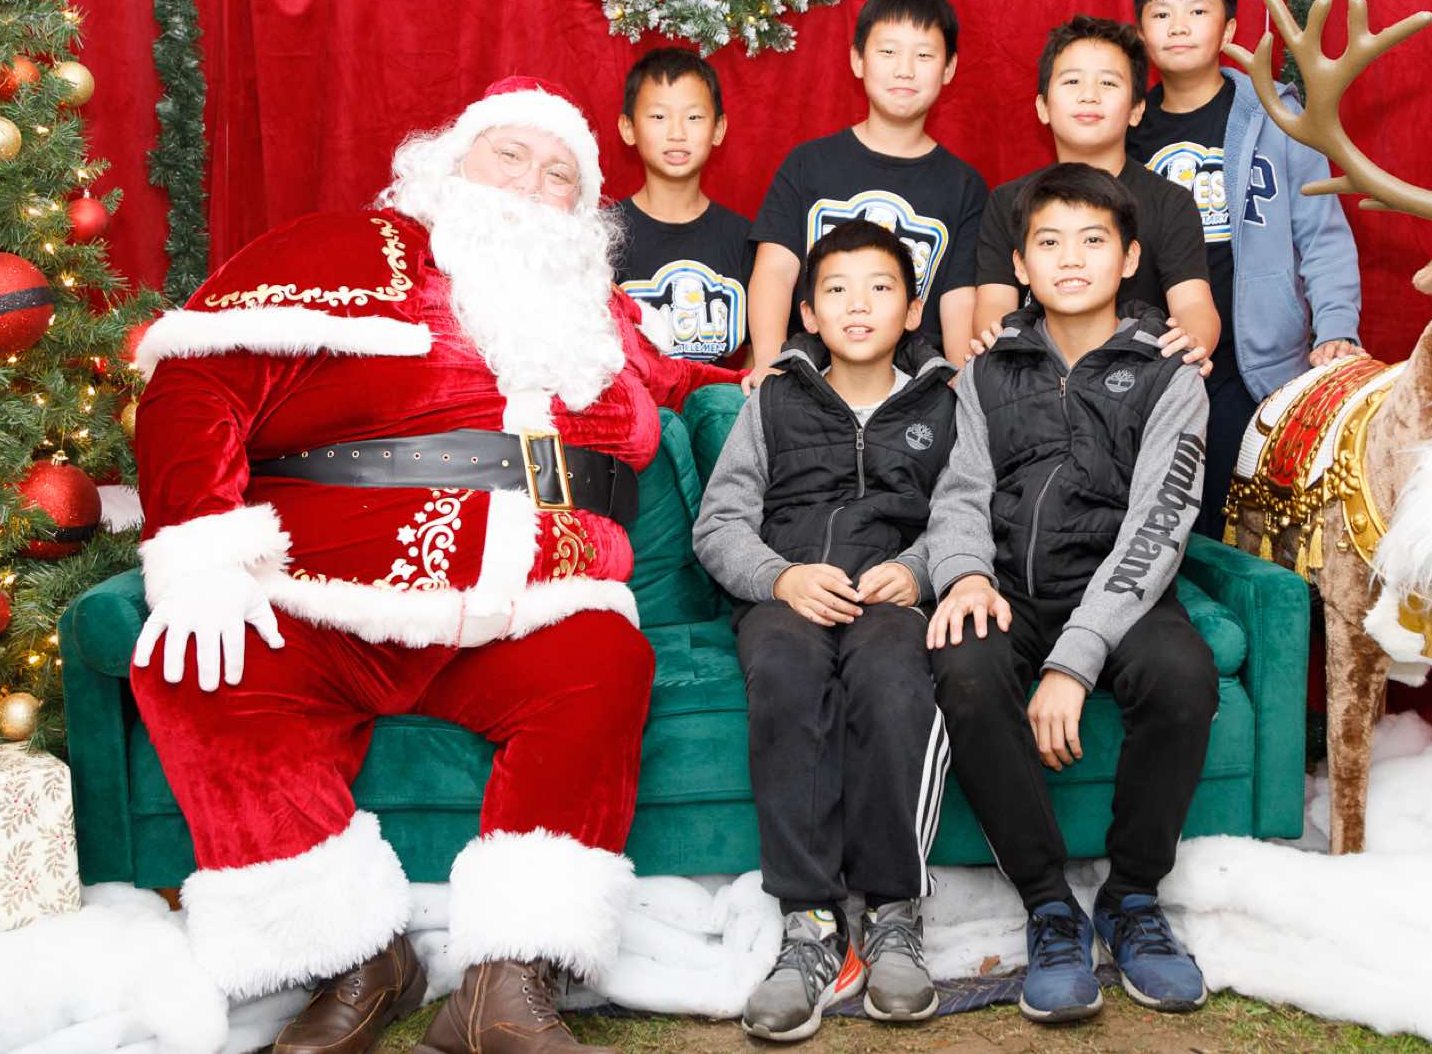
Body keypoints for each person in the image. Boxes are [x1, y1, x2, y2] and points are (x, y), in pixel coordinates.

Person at [129, 76, 740, 1054]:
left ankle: (504, 987)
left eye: (559, 175)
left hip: (534, 609)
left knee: (604, 663)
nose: (532, 183)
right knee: (199, 667)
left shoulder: (600, 317)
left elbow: (699, 382)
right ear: (449, 164)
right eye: (511, 155)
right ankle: (356, 957)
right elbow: (196, 377)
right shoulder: (340, 250)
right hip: (325, 599)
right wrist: (199, 545)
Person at [917, 163, 1217, 1024]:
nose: (1071, 258)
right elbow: (959, 493)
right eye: (1049, 242)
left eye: (1093, 240)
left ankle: (1132, 898)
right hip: (1009, 586)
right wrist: (966, 575)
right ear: (1020, 264)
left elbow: (1158, 527)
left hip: (1121, 587)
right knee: (964, 666)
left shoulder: (1170, 372)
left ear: (1130, 259)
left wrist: (1074, 661)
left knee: (1183, 676)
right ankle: (1050, 906)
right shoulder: (986, 369)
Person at [693, 219, 956, 1041]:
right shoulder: (776, 398)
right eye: (837, 290)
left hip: (890, 598)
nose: (858, 305)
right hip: (788, 595)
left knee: (893, 678)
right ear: (808, 310)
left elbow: (966, 513)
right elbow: (719, 523)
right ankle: (808, 924)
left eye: (880, 288)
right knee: (784, 672)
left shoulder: (948, 402)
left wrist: (918, 569)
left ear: (912, 309)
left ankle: (893, 913)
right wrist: (782, 576)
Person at [1129, 0, 1364, 534]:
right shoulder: (1126, 128)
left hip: (1254, 362)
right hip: (1154, 360)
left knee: (1239, 525)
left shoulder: (1277, 117)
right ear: (1141, 33)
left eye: (1197, 11)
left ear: (1230, 29)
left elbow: (1322, 234)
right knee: (1158, 519)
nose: (1178, 26)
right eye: (1161, 14)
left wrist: (1336, 328)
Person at [747, 0, 987, 371]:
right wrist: (770, 364)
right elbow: (775, 271)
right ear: (858, 59)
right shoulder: (808, 163)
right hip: (810, 373)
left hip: (913, 382)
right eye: (888, 52)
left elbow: (959, 300)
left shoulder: (963, 186)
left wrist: (961, 380)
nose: (905, 70)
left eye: (924, 55)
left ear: (949, 68)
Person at [971, 16, 1219, 366]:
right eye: (1072, 81)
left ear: (1136, 110)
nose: (1089, 96)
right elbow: (994, 304)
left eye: (1108, 83)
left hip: (1140, 376)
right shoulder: (1007, 201)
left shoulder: (1170, 202)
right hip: (1036, 377)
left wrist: (1193, 340)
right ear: (1043, 107)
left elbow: (1193, 303)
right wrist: (997, 353)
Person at [612, 47, 753, 366]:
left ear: (718, 129)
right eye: (658, 117)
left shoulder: (744, 239)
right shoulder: (601, 236)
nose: (677, 133)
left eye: (693, 117)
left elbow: (763, 348)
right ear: (628, 128)